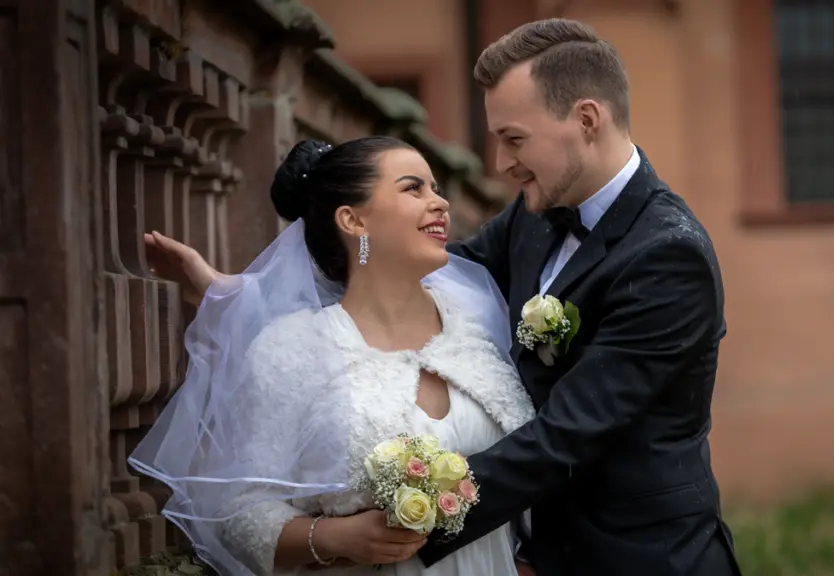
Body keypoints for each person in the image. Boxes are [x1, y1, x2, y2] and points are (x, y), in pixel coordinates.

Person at [142, 18, 741, 576]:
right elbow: (410, 268)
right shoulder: (537, 215)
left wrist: (415, 514)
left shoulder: (668, 255)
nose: (502, 164)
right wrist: (242, 294)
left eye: (514, 139)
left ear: (586, 120)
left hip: (642, 556)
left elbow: (568, 433)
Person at [130, 136, 537, 575]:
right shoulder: (291, 349)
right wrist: (334, 538)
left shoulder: (476, 325)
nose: (439, 203)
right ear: (353, 220)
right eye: (412, 188)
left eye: (436, 188)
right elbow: (238, 509)